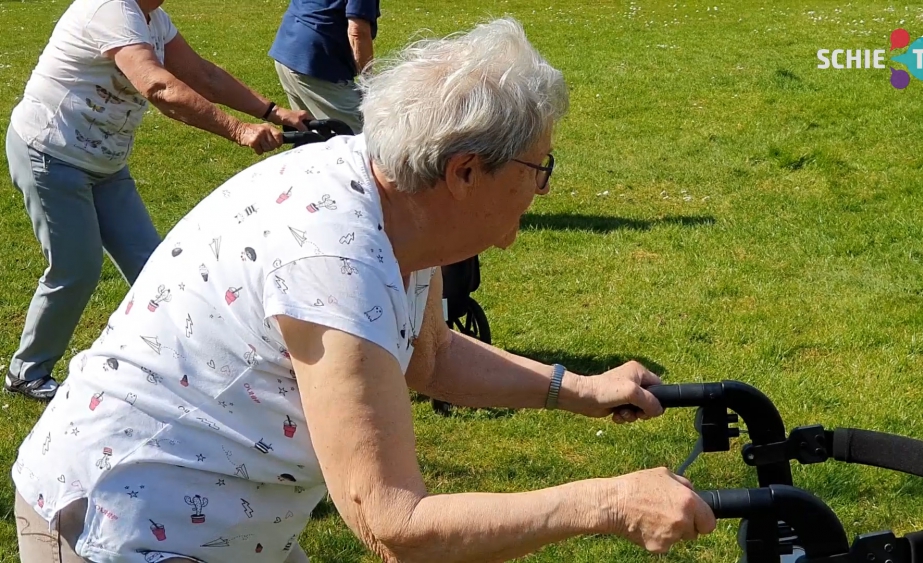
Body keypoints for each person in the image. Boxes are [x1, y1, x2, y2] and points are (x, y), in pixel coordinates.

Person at [10, 18, 716, 563]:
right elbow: (392, 524)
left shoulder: (393, 198)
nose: (543, 186)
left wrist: (578, 389)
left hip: (220, 522)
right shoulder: (336, 256)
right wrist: (608, 501)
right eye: (540, 165)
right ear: (465, 172)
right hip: (120, 522)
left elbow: (431, 357)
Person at [4, 0, 312, 402]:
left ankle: (175, 360)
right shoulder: (110, 11)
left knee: (154, 265)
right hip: (51, 153)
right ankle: (27, 371)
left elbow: (203, 75)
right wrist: (238, 130)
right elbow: (158, 86)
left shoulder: (154, 20)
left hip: (105, 162)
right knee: (76, 268)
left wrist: (273, 112)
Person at [268, 0, 379, 133]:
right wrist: (368, 81)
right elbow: (357, 31)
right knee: (363, 138)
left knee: (314, 136)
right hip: (316, 62)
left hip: (288, 47)